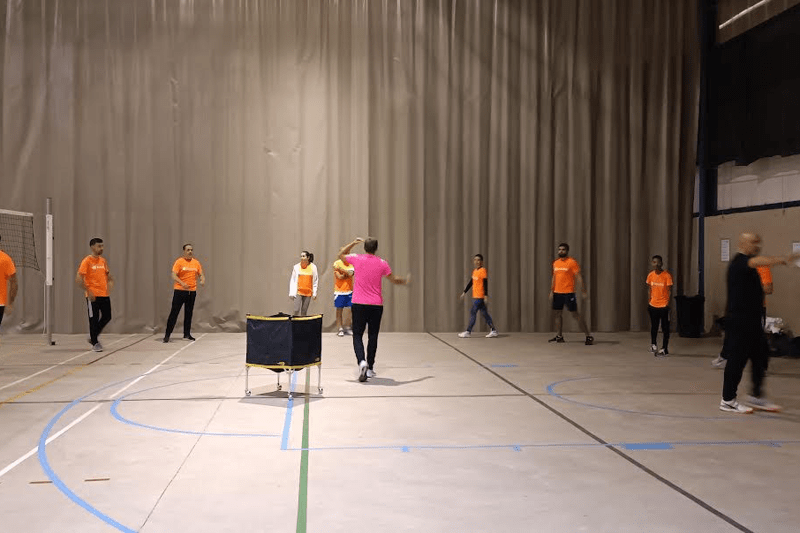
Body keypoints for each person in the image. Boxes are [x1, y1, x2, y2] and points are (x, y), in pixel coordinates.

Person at [719, 232, 798, 414]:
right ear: (743, 243)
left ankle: (756, 396)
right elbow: (757, 261)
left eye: (758, 242)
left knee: (761, 356)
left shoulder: (749, 266)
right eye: (754, 242)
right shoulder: (740, 262)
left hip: (753, 321)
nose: (757, 246)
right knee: (737, 360)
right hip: (740, 321)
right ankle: (727, 400)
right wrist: (783, 259)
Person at [338, 237, 410, 382]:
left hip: (359, 303)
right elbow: (394, 279)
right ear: (376, 248)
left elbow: (341, 254)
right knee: (373, 336)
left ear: (364, 247)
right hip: (376, 305)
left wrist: (353, 243)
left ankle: (361, 361)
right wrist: (404, 281)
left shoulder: (357, 258)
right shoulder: (382, 263)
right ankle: (370, 368)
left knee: (357, 335)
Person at [712, 264, 773, 369]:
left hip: (755, 308)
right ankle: (725, 357)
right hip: (739, 307)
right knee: (732, 332)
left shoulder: (761, 266)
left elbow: (768, 289)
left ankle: (760, 363)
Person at [548, 243, 593, 345]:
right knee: (557, 314)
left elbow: (578, 277)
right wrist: (551, 291)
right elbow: (554, 277)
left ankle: (588, 336)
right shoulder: (556, 263)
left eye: (563, 249)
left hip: (568, 293)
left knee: (575, 314)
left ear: (567, 251)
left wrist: (583, 291)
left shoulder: (572, 262)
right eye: (559, 249)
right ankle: (559, 336)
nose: (561, 251)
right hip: (557, 293)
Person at [76, 238, 114, 352]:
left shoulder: (103, 261)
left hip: (104, 294)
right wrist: (89, 291)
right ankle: (95, 342)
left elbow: (108, 276)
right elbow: (78, 279)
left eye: (102, 246)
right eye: (99, 246)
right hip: (92, 296)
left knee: (107, 316)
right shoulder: (87, 261)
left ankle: (93, 335)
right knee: (94, 319)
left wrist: (110, 284)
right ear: (92, 247)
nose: (101, 248)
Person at [163, 244, 205, 343]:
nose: (190, 252)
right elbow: (173, 275)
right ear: (184, 251)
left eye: (191, 250)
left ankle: (187, 334)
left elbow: (201, 274)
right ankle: (167, 335)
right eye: (188, 250)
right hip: (180, 291)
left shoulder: (196, 262)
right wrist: (182, 283)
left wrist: (202, 280)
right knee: (174, 313)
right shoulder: (179, 262)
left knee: (189, 313)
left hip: (192, 292)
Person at [458, 254, 498, 338]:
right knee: (485, 313)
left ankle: (468, 331)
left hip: (479, 296)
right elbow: (471, 282)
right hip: (475, 295)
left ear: (481, 262)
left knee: (473, 312)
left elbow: (485, 283)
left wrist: (485, 295)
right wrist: (464, 292)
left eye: (478, 260)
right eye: (475, 260)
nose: (476, 261)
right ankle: (493, 330)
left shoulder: (483, 270)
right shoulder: (475, 271)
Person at [646, 255, 673, 356]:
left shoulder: (667, 275)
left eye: (658, 262)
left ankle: (665, 348)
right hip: (653, 305)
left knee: (665, 328)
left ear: (661, 263)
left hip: (663, 306)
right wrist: (650, 301)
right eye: (654, 262)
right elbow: (649, 289)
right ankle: (653, 344)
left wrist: (667, 303)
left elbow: (669, 290)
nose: (656, 264)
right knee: (654, 326)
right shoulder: (650, 275)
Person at [289, 251, 318, 316]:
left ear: (308, 257)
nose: (302, 258)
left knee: (304, 311)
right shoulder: (296, 267)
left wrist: (314, 293)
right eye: (301, 256)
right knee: (296, 310)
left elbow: (315, 281)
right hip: (298, 292)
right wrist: (292, 292)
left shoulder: (313, 267)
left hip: (308, 292)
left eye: (303, 256)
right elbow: (293, 280)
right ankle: (294, 322)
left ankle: (302, 322)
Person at [332, 256, 355, 336]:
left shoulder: (351, 264)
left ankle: (348, 327)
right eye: (344, 253)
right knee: (339, 311)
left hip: (349, 291)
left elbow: (351, 274)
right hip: (339, 292)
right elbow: (340, 276)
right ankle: (340, 328)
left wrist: (341, 270)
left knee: (349, 311)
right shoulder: (337, 263)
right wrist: (346, 273)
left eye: (347, 253)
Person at [0, 234, 18, 329]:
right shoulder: (6, 259)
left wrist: (10, 302)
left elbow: (14, 282)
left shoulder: (6, 259)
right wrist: (10, 302)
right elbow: (14, 282)